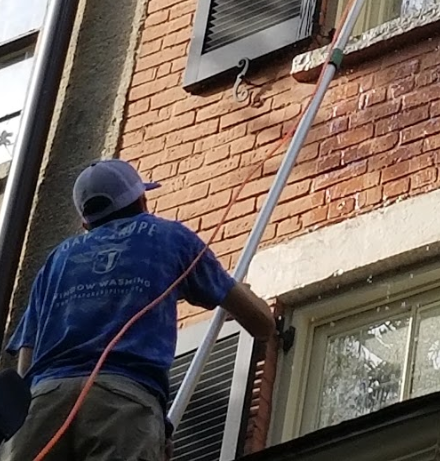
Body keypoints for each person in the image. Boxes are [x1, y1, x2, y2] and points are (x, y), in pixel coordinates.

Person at [2, 159, 276, 461]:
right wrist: (249, 300)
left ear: (85, 222)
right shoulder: (169, 237)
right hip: (122, 401)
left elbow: (28, 351)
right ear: (141, 200)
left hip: (43, 404)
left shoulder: (58, 259)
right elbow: (262, 324)